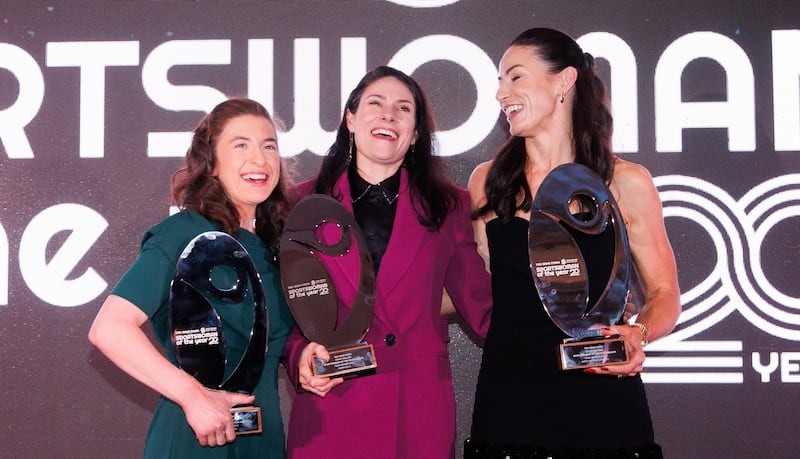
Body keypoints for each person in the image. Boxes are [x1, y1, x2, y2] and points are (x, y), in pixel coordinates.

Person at [465, 28, 682, 458]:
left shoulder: (625, 182)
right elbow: (477, 291)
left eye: (515, 77)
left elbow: (664, 294)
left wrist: (636, 333)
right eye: (499, 82)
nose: (501, 94)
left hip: (601, 404)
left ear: (564, 81)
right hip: (509, 405)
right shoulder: (487, 183)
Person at [281, 65, 493, 458]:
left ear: (414, 134)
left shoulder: (450, 207)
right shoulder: (300, 204)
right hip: (332, 406)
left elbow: (484, 307)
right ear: (350, 118)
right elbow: (283, 312)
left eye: (403, 109)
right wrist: (299, 356)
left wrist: (568, 312)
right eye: (375, 104)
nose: (388, 116)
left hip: (416, 413)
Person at [88, 97, 295, 458]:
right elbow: (110, 328)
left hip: (262, 442)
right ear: (212, 163)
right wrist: (193, 397)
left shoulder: (276, 250)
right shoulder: (182, 234)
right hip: (194, 440)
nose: (259, 159)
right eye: (240, 145)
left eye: (269, 146)